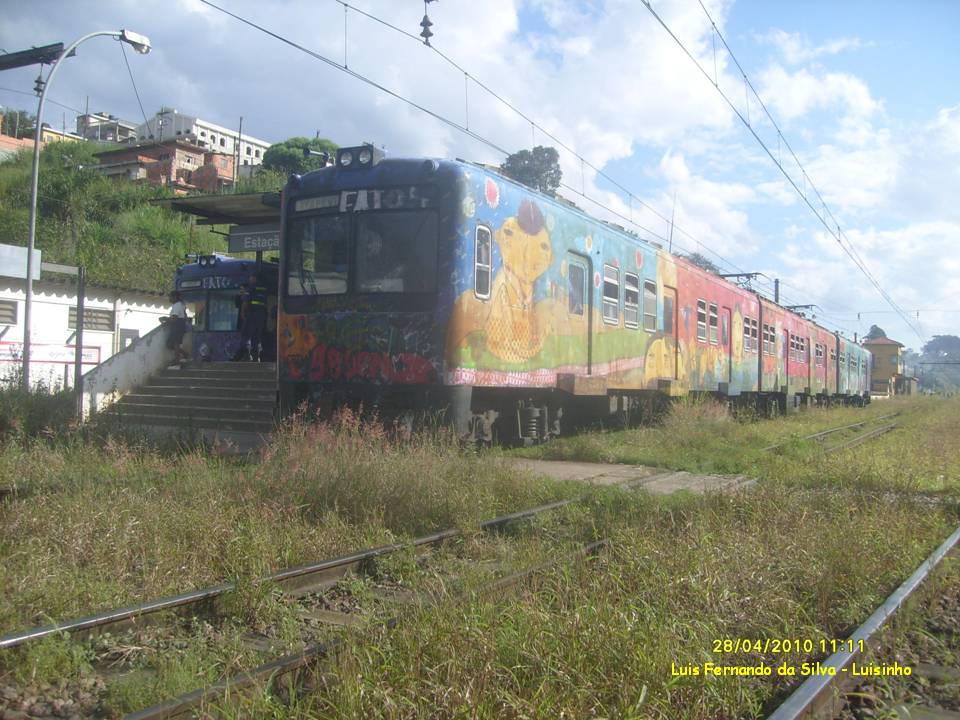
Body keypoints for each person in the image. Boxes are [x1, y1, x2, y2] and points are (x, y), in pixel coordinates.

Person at [238, 273, 268, 361]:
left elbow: (245, 302)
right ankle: (256, 356)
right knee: (257, 336)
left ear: (254, 278)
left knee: (246, 334)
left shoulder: (250, 288)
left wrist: (242, 313)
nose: (249, 279)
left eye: (250, 277)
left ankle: (243, 354)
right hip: (261, 315)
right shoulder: (264, 289)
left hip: (251, 314)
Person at [166, 291, 190, 365]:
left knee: (176, 343)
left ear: (175, 297)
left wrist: (164, 318)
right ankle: (185, 354)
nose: (169, 298)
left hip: (177, 325)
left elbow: (174, 318)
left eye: (170, 296)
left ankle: (177, 360)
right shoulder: (180, 305)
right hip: (179, 325)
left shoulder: (177, 305)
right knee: (170, 344)